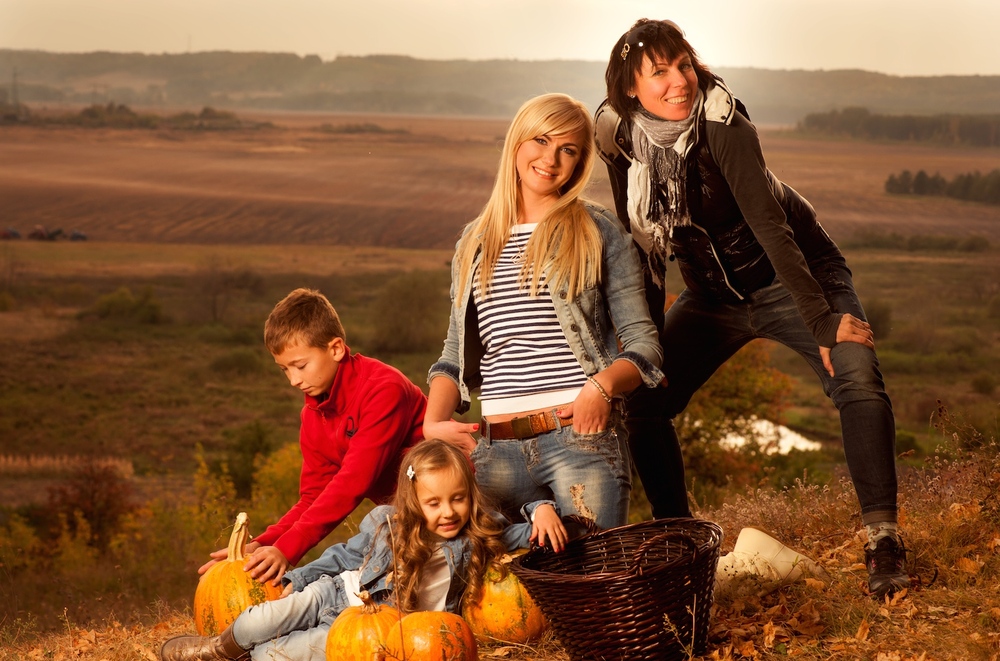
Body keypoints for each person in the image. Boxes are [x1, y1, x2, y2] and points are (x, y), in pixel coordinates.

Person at [594, 18, 908, 599]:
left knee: (855, 370)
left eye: (684, 64)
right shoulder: (615, 134)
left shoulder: (723, 122)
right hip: (713, 298)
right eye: (659, 72)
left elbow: (770, 225)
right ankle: (680, 542)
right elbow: (642, 243)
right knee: (644, 395)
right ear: (630, 86)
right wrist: (643, 342)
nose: (679, 81)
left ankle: (883, 540)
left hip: (793, 277)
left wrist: (820, 320)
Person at [422, 93, 665, 530]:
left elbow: (645, 344)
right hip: (495, 455)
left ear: (579, 162)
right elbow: (454, 354)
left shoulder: (597, 230)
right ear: (517, 142)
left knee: (592, 584)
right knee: (504, 593)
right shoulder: (473, 243)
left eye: (568, 150)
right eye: (541, 140)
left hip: (579, 441)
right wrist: (431, 422)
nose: (550, 159)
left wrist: (602, 387)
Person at [161, 439, 568, 661]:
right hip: (336, 592)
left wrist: (542, 507)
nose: (448, 512)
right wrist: (299, 577)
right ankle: (216, 648)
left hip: (381, 628)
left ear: (470, 497)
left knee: (280, 654)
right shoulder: (388, 524)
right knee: (260, 620)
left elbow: (523, 531)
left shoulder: (476, 533)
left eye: (457, 499)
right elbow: (342, 556)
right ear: (414, 502)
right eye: (434, 503)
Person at [198, 288, 428, 586]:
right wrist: (265, 543)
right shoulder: (313, 416)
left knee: (350, 559)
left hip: (447, 507)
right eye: (284, 369)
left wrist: (287, 549)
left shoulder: (384, 389)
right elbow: (313, 495)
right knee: (353, 557)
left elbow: (352, 483)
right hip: (403, 518)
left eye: (300, 366)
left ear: (336, 349)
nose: (294, 380)